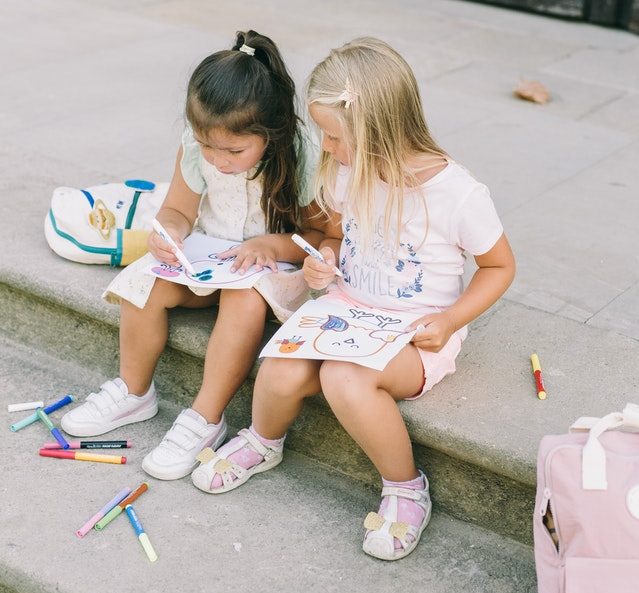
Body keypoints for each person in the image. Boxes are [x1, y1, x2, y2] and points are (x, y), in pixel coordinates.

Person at [190, 37, 516, 561]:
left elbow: (500, 266)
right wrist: (325, 258)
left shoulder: (459, 195)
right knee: (282, 364)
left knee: (343, 377)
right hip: (347, 308)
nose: (326, 147)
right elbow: (339, 235)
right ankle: (262, 440)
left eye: (333, 136)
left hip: (415, 332)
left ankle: (406, 487)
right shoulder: (347, 172)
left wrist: (452, 319)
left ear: (380, 130)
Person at [60, 30, 324, 482]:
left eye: (234, 151)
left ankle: (205, 417)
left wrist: (270, 245)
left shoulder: (300, 155)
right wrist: (169, 234)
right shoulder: (197, 144)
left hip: (273, 269)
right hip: (211, 257)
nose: (218, 160)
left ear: (270, 132)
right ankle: (134, 390)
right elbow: (179, 210)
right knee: (145, 279)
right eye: (208, 147)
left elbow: (318, 234)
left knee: (242, 300)